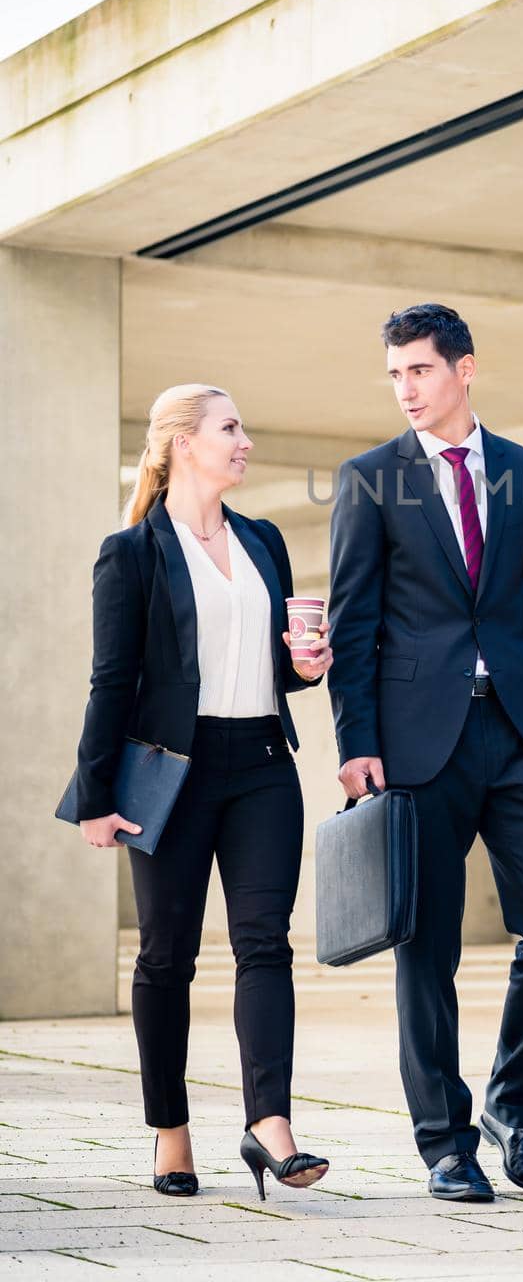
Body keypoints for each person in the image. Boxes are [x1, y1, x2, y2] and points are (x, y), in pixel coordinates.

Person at [328, 304, 523, 1202]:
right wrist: (357, 742)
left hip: (520, 732)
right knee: (427, 946)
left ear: (465, 370)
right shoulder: (370, 479)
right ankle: (446, 1143)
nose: (406, 388)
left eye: (420, 370)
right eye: (395, 374)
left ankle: (511, 1109)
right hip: (417, 743)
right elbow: (354, 621)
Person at [74, 383, 334, 1200]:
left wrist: (304, 669)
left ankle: (271, 1125)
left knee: (265, 943)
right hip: (170, 773)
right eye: (231, 428)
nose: (245, 440)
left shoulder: (263, 540)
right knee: (166, 957)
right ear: (183, 442)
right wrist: (94, 793)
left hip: (261, 761)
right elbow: (111, 681)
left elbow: (273, 669)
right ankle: (171, 1132)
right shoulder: (133, 553)